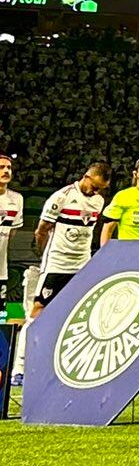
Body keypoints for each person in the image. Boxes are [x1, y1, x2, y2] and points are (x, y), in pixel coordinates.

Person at [19, 159, 110, 380]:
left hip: (82, 265)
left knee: (78, 314)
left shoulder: (98, 201)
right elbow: (41, 230)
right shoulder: (62, 197)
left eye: (100, 189)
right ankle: (20, 366)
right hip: (57, 264)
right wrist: (43, 256)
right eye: (94, 185)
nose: (96, 191)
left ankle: (69, 365)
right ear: (86, 177)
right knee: (38, 309)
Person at [100, 155, 139, 246]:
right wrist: (105, 254)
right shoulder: (123, 196)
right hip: (128, 252)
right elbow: (108, 229)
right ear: (136, 174)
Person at [0, 153, 20, 381]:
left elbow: (11, 233)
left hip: (2, 272)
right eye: (1, 167)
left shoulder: (17, 200)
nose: (6, 171)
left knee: (3, 319)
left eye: (8, 167)